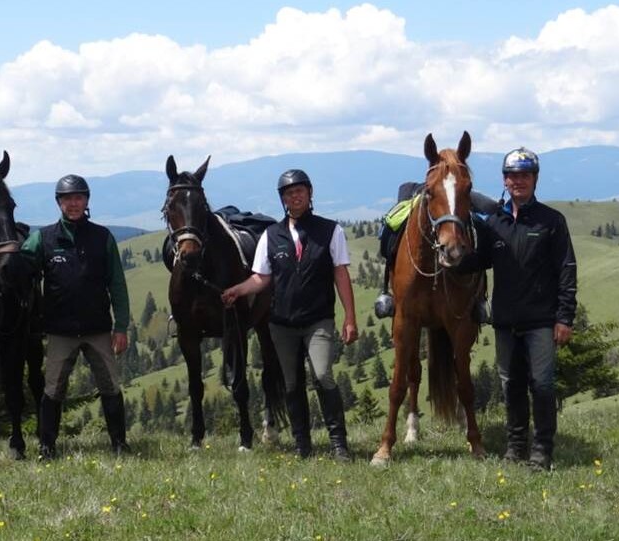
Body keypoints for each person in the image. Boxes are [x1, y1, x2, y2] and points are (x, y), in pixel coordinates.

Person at [221, 169, 358, 460]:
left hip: (318, 319)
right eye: (288, 193)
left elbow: (341, 273)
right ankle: (302, 446)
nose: (295, 196)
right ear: (282, 199)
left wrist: (350, 317)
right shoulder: (271, 235)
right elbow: (261, 278)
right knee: (292, 383)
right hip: (281, 324)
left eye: (300, 191)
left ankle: (339, 444)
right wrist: (238, 290)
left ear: (310, 194)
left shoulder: (331, 230)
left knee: (322, 375)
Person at [464, 147, 577, 471]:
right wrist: (453, 261)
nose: (518, 181)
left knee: (541, 385)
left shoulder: (552, 221)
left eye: (525, 175)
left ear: (535, 179)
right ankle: (515, 447)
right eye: (513, 176)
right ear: (504, 180)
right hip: (505, 321)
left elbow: (567, 268)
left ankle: (542, 451)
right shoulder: (494, 223)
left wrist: (564, 317)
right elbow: (482, 260)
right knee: (510, 384)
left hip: (541, 321)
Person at [21, 174, 132, 459]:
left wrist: (121, 326)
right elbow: (19, 266)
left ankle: (119, 443)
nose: (73, 203)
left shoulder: (102, 237)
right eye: (67, 198)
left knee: (110, 386)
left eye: (78, 198)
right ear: (58, 202)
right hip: (60, 330)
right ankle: (47, 447)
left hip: (97, 328)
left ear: (86, 201)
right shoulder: (42, 238)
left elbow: (117, 284)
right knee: (53, 389)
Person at [373, 182, 500, 320]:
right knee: (393, 225)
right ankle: (389, 289)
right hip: (430, 185)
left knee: (486, 218)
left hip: (455, 187)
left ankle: (479, 295)